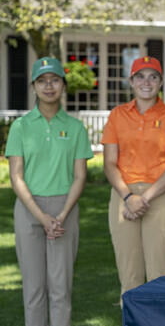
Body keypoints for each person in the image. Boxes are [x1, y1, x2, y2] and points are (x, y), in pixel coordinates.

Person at [6, 57, 94, 326]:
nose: (49, 86)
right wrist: (42, 217)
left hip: (64, 208)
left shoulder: (76, 128)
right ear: (33, 86)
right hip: (29, 210)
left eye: (54, 80)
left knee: (60, 289)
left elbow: (80, 175)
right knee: (33, 290)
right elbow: (16, 176)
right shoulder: (20, 127)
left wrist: (63, 213)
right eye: (42, 81)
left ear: (63, 86)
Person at [102, 56, 165, 298]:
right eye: (140, 76)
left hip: (160, 196)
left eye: (153, 76)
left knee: (160, 274)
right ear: (131, 81)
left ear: (160, 82)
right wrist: (128, 197)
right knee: (129, 276)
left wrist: (143, 198)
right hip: (122, 197)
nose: (146, 82)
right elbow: (109, 163)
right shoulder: (117, 115)